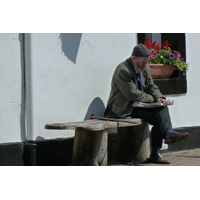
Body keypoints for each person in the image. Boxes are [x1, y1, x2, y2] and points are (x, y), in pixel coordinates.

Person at [104, 43, 190, 164]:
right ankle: (164, 141)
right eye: (142, 62)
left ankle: (165, 139)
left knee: (162, 108)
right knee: (158, 116)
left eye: (147, 62)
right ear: (134, 58)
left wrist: (159, 97)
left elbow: (151, 86)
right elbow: (132, 94)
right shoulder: (123, 70)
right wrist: (153, 99)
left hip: (140, 105)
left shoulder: (145, 68)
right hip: (125, 108)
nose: (145, 65)